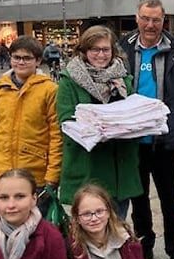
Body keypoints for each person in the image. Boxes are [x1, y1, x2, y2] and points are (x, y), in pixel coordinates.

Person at [118, 0, 174, 259]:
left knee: (169, 200)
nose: (151, 25)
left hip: (165, 141)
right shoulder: (123, 48)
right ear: (136, 18)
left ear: (164, 20)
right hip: (133, 140)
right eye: (146, 18)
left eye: (156, 19)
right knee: (138, 199)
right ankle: (145, 244)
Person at [56, 25, 141, 218]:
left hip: (120, 168)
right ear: (84, 51)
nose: (101, 55)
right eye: (95, 49)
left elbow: (134, 112)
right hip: (89, 167)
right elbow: (65, 121)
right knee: (90, 232)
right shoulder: (69, 81)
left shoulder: (123, 79)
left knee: (118, 227)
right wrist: (99, 128)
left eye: (105, 49)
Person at [0, 35, 62, 218]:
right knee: (7, 224)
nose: (21, 62)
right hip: (3, 169)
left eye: (27, 58)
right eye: (16, 57)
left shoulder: (49, 90)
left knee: (38, 228)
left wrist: (53, 174)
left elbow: (56, 135)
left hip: (35, 172)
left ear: (38, 61)